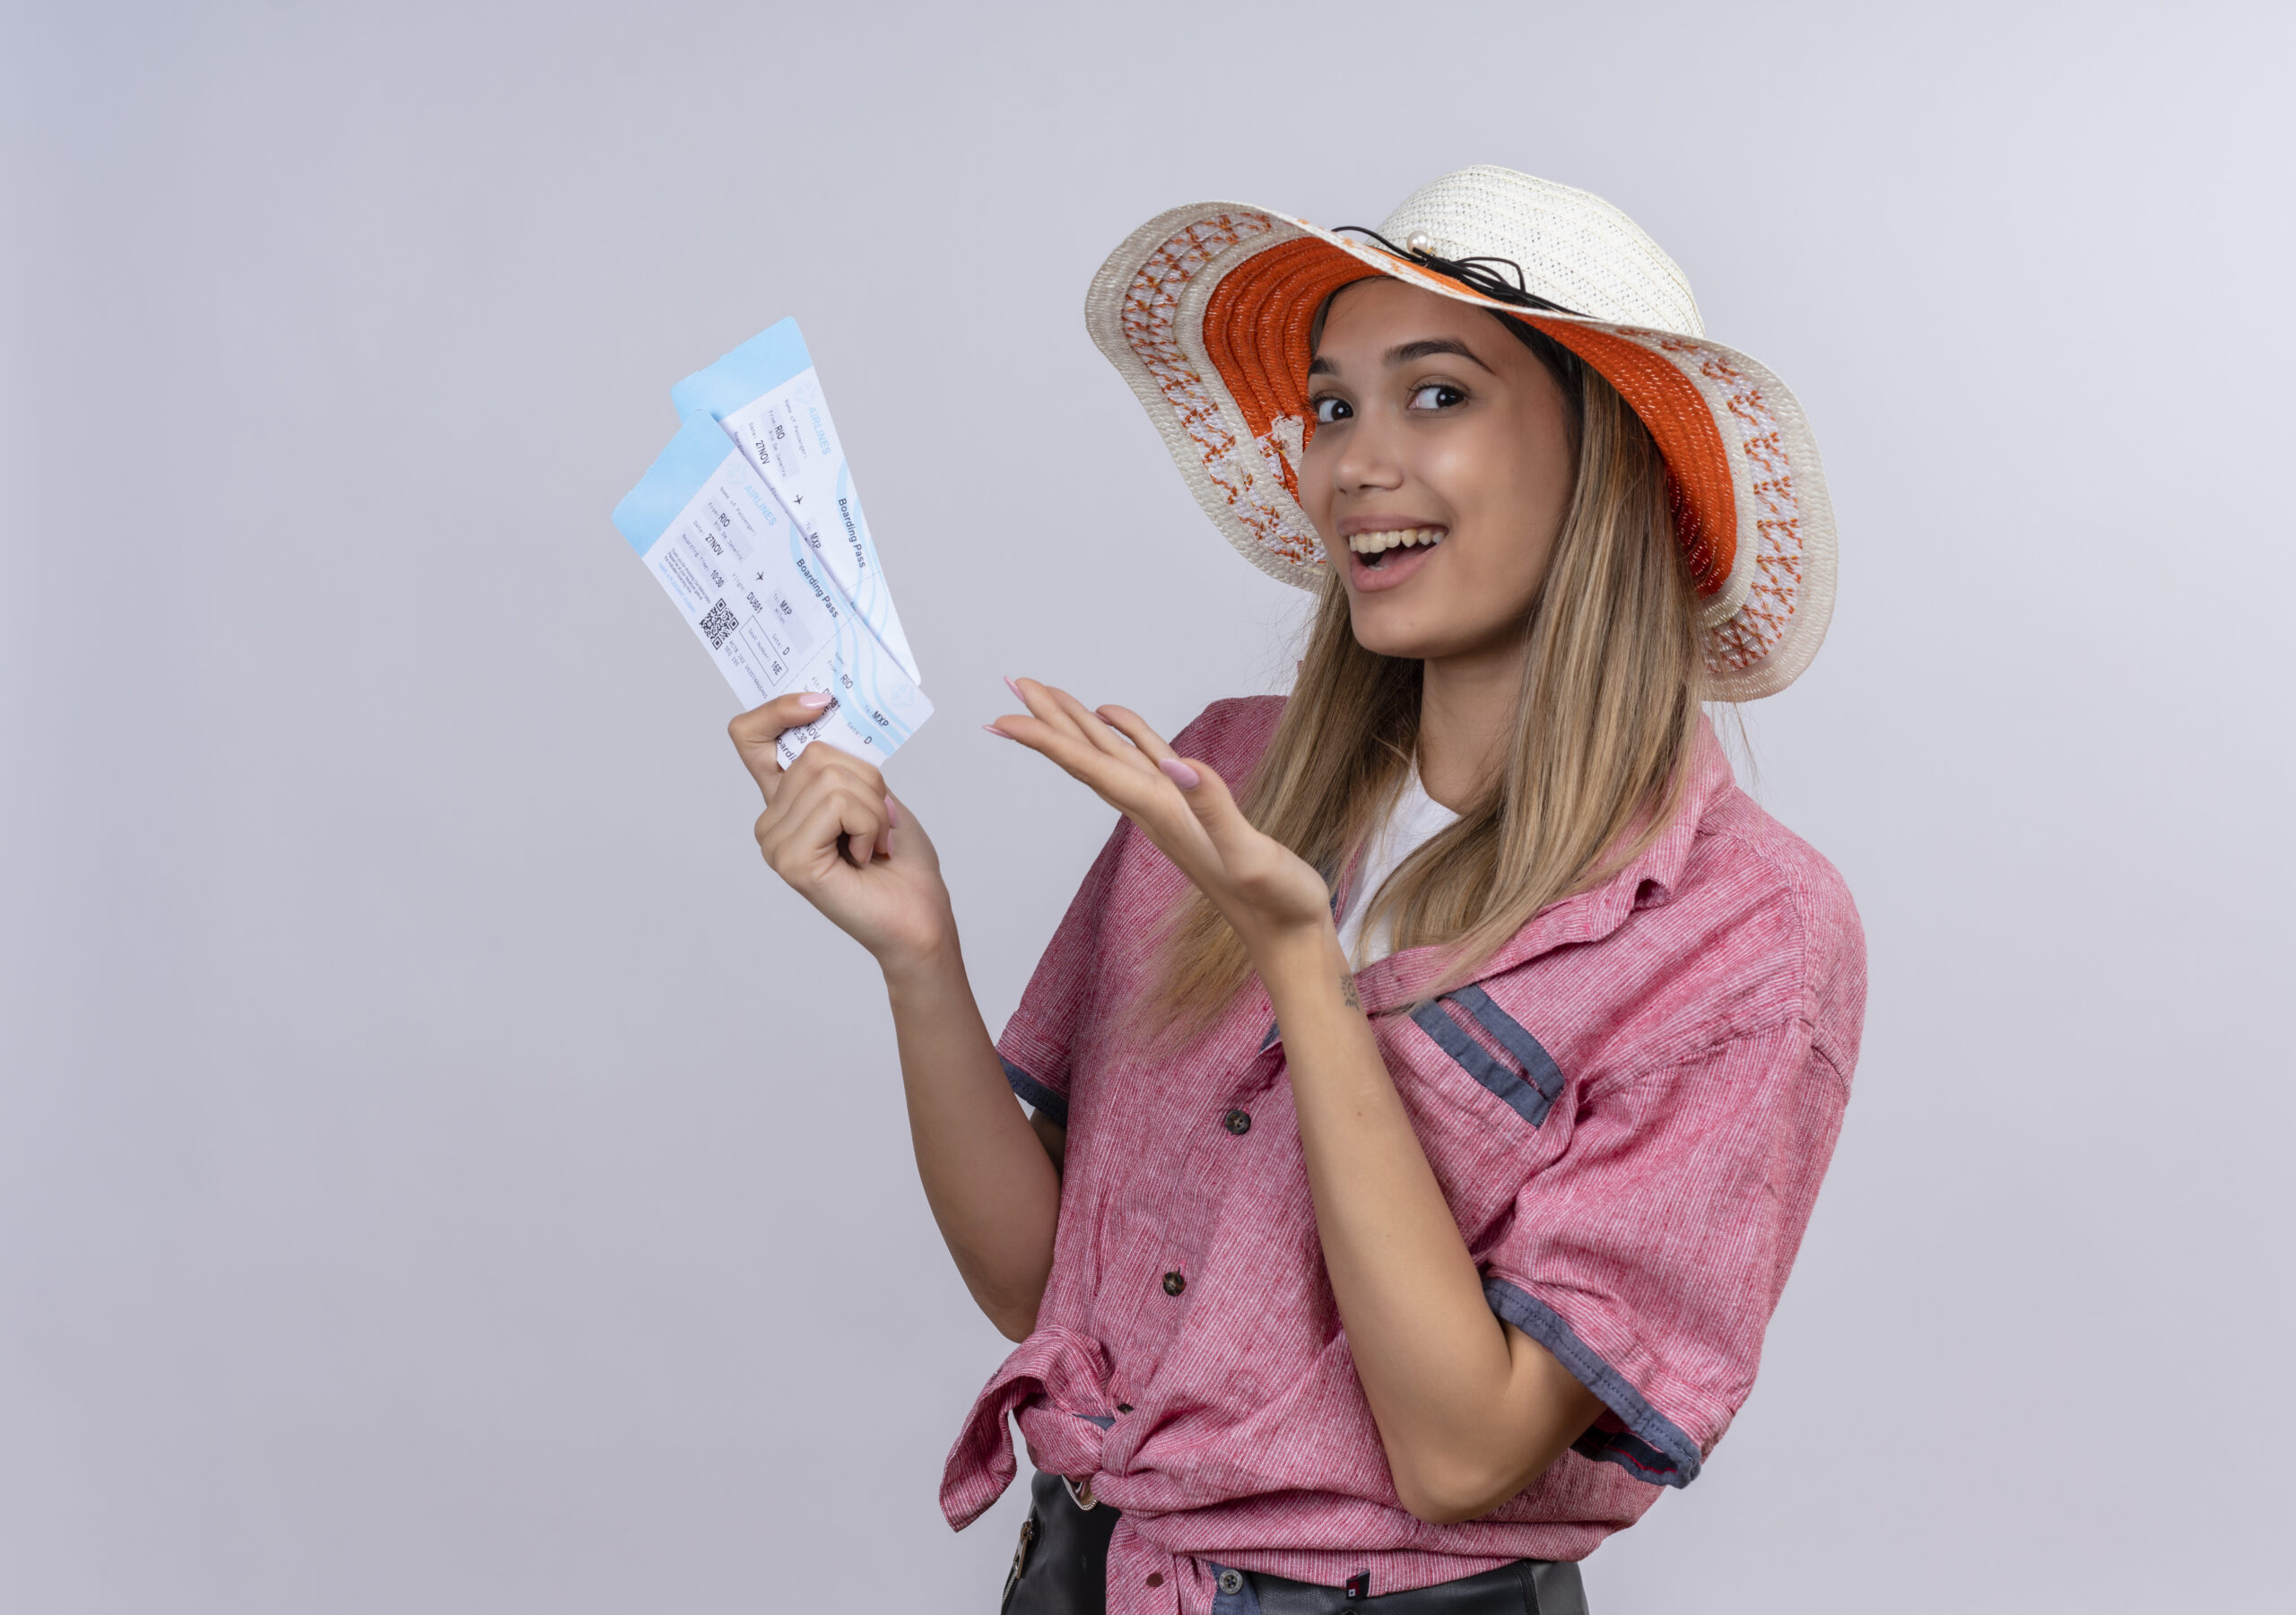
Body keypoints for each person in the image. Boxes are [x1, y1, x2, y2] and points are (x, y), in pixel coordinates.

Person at [727, 168, 1864, 1615]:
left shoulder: (1746, 933)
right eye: (1332, 407)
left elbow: (1462, 1452)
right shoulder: (1225, 772)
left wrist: (1302, 970)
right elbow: (1044, 1290)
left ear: (1612, 454)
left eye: (1436, 395)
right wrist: (918, 954)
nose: (1350, 465)